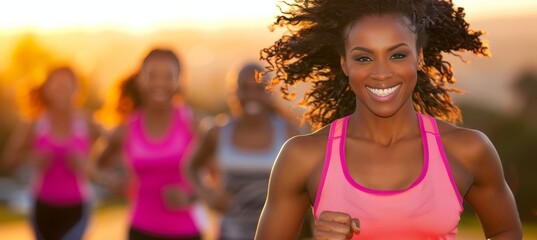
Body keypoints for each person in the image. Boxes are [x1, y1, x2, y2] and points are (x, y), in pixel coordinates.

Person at [254, 0, 522, 239]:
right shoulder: (303, 156)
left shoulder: (468, 150)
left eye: (397, 55)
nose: (381, 73)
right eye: (364, 57)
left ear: (419, 58)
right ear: (345, 64)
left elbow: (505, 231)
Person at [94, 48, 204, 240]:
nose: (159, 83)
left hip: (186, 233)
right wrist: (110, 182)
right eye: (152, 76)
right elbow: (92, 165)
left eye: (168, 76)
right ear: (140, 80)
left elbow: (218, 179)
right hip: (140, 231)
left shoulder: (193, 125)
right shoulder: (128, 128)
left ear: (179, 82)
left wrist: (191, 197)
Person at [188, 63, 304, 240]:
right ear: (234, 92)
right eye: (244, 88)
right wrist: (209, 196)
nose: (252, 95)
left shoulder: (290, 134)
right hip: (229, 234)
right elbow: (191, 167)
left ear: (270, 92)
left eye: (259, 88)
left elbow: (310, 180)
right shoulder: (218, 132)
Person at [2, 66, 101, 240]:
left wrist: (85, 164)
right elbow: (8, 160)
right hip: (43, 207)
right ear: (46, 90)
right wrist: (33, 158)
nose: (61, 90)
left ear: (76, 90)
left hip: (77, 207)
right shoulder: (35, 124)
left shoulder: (87, 123)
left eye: (67, 85)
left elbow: (108, 157)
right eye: (56, 85)